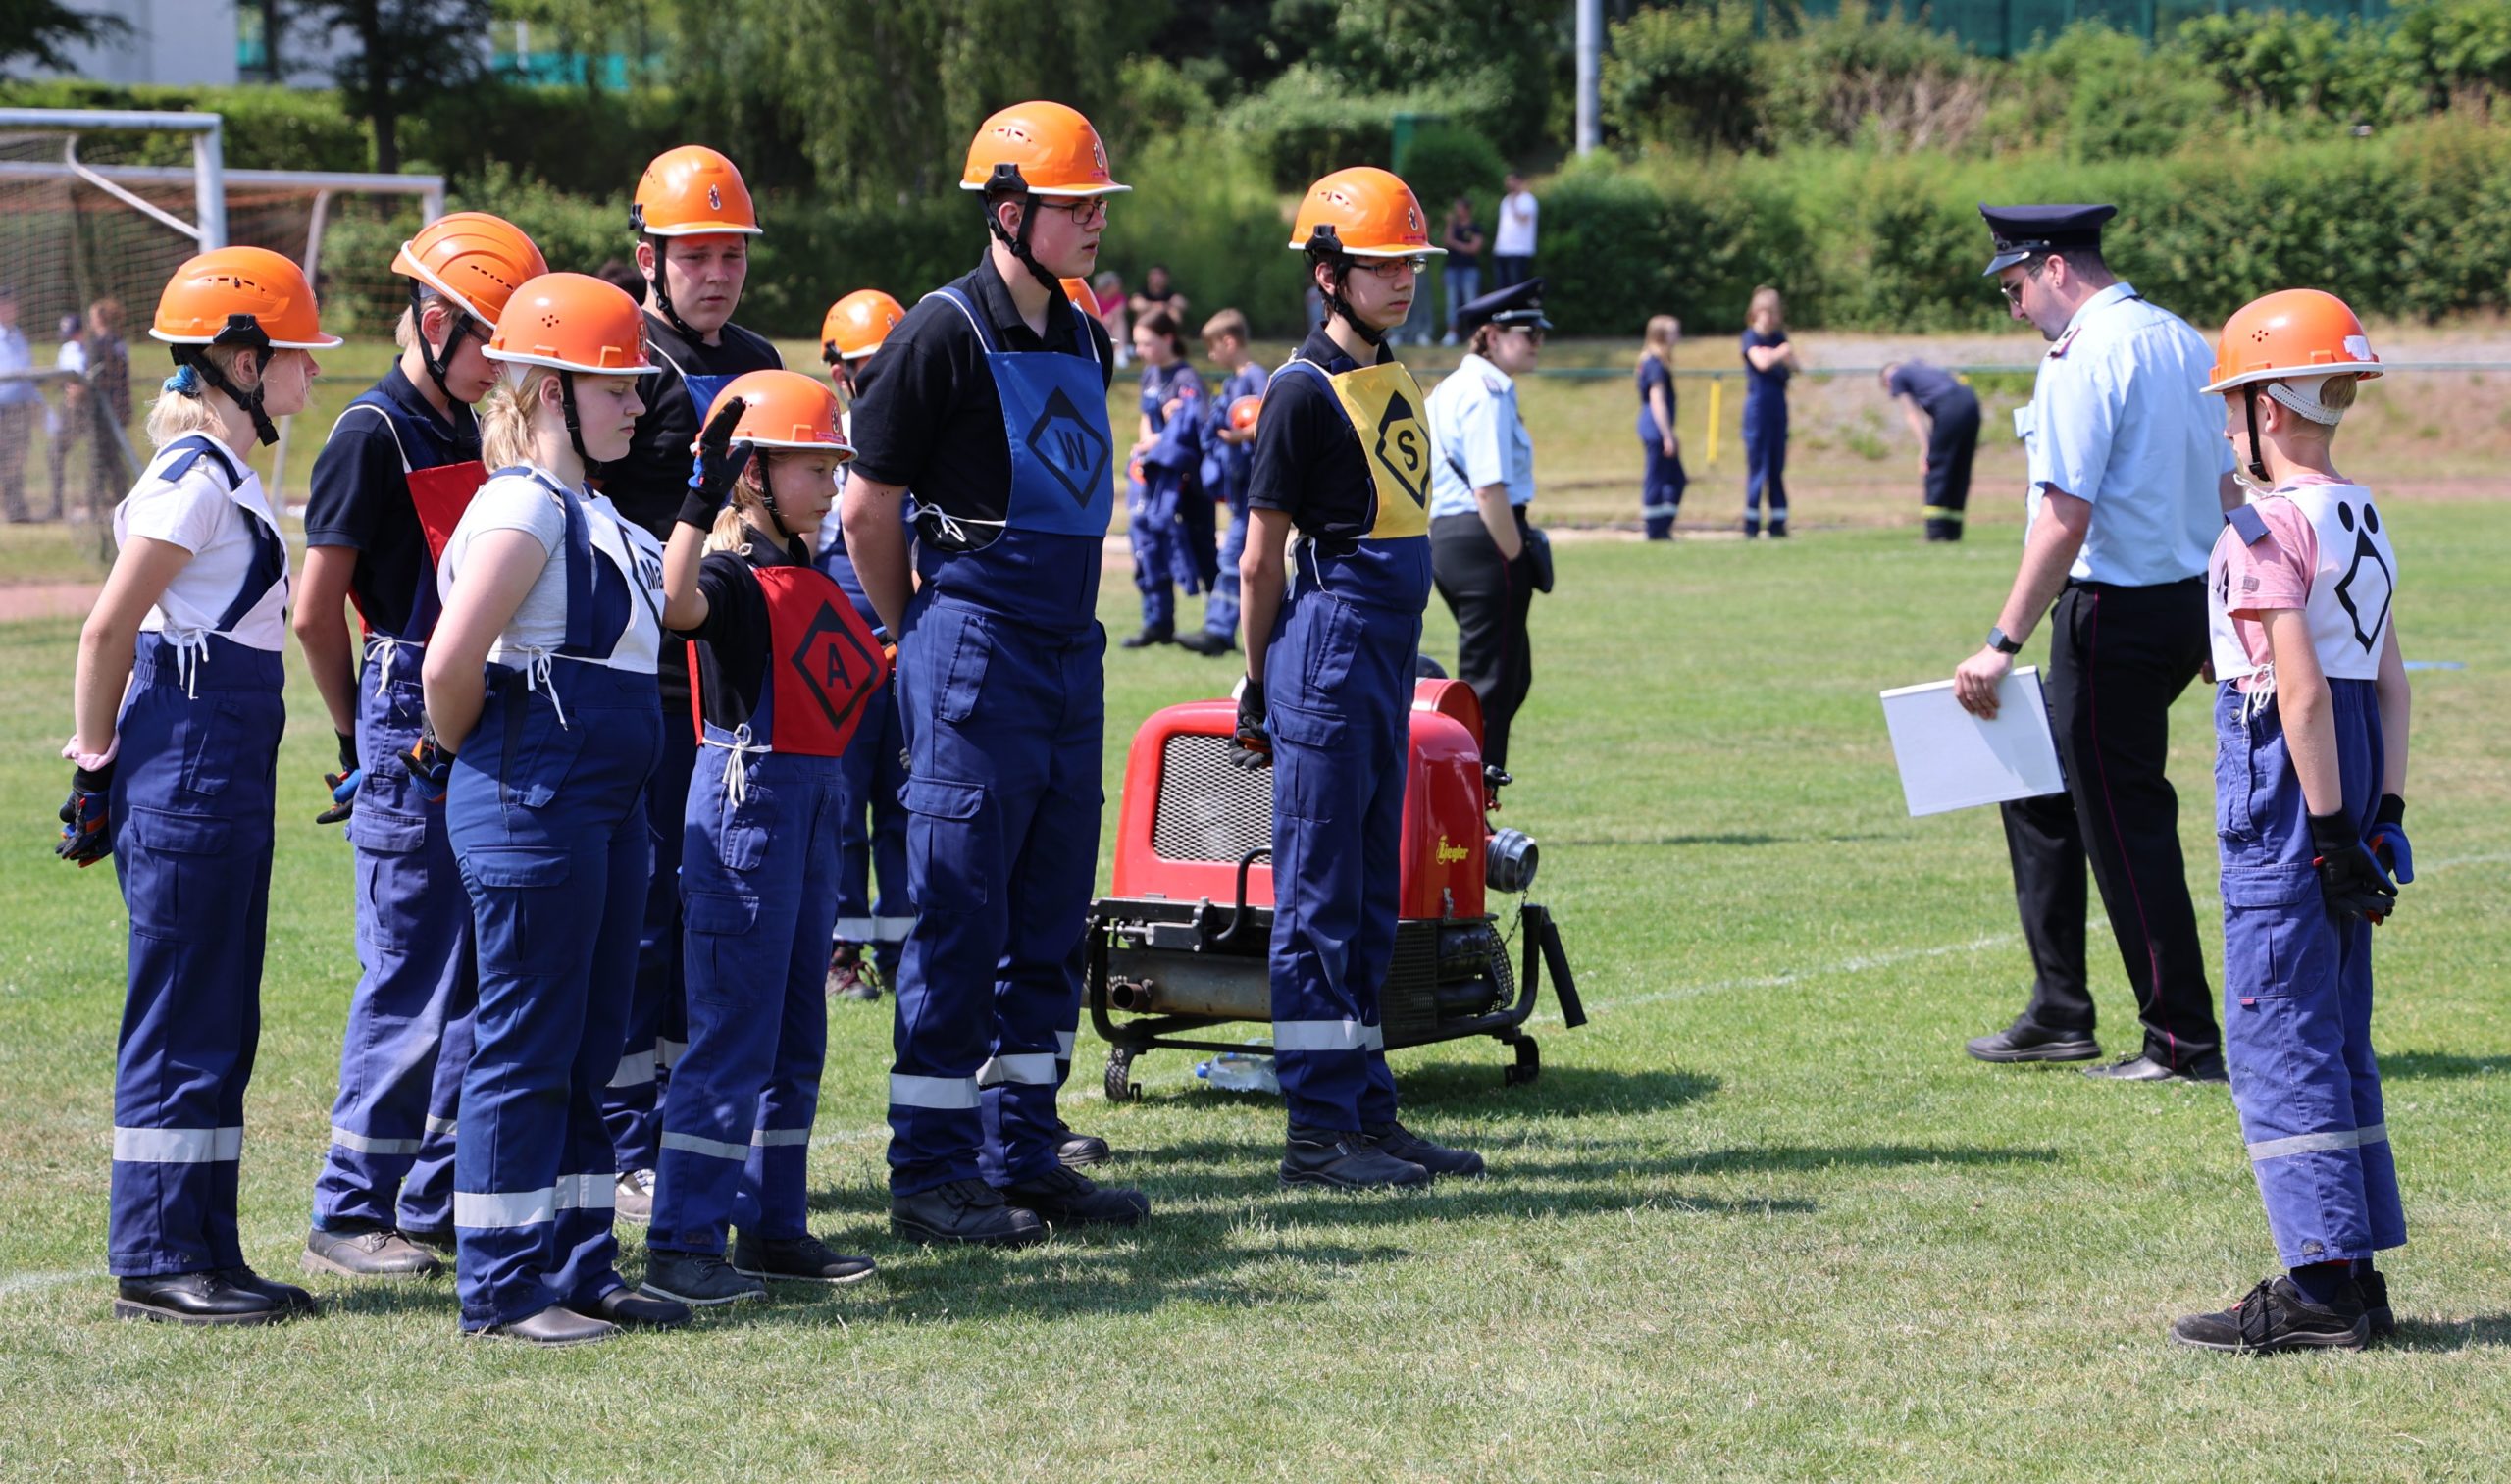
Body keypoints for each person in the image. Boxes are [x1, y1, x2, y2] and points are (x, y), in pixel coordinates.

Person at [841, 100, 1149, 1246]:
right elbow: (866, 509)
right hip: (973, 651)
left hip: (1069, 657)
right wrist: (918, 629)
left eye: (1099, 204)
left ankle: (1024, 1149)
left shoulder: (1085, 333)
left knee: (1050, 921)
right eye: (1076, 205)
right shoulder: (939, 332)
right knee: (959, 917)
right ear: (1009, 211)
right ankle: (931, 1170)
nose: (1095, 222)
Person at [59, 246, 338, 1326]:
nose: (312, 373)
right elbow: (107, 629)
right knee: (181, 1012)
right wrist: (94, 769)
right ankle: (157, 1256)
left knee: (220, 1009)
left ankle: (207, 1245)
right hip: (187, 762)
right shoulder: (191, 479)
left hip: (219, 762)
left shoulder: (221, 473)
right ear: (240, 361)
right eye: (297, 355)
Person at [420, 272, 691, 1346]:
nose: (636, 403)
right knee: (526, 1043)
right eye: (614, 387)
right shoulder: (524, 501)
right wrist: (468, 757)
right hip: (535, 793)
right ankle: (499, 1284)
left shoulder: (597, 511)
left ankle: (579, 1265)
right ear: (548, 393)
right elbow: (450, 664)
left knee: (584, 1044)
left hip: (601, 804)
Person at [296, 212, 548, 1282]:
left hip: (476, 693)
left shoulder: (472, 425)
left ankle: (429, 1197)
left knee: (480, 964)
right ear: (437, 325)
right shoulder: (372, 432)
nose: (508, 365)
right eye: (496, 340)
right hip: (405, 697)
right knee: (411, 967)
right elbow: (315, 610)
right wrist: (356, 731)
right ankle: (350, 1206)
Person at [1233, 164, 1484, 1191]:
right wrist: (1258, 684)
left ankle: (1369, 1113)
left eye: (1411, 263)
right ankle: (1318, 1131)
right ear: (1328, 273)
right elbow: (1259, 560)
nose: (1403, 280)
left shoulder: (1394, 375)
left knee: (1374, 900)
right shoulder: (1298, 391)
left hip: (1382, 660)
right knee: (1320, 901)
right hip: (1327, 658)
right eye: (1382, 264)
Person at [2169, 289, 2409, 1354]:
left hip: (2290, 787)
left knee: (2278, 1032)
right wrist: (2379, 814)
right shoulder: (2360, 512)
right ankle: (2353, 1269)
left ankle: (2318, 1286)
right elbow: (2391, 684)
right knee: (2336, 1025)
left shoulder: (2263, 527)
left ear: (2266, 406)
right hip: (2355, 775)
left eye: (2232, 403)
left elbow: (2297, 691)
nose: (2228, 424)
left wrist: (2323, 831)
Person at [1954, 204, 2241, 1084]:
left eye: (2014, 287)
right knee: (2035, 783)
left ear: (2053, 267)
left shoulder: (2083, 356)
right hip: (2180, 602)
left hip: (2114, 613)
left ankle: (2181, 1041)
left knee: (2126, 825)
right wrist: (2222, 611)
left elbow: (2065, 516)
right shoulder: (2181, 338)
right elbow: (2226, 486)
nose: (2013, 308)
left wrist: (2002, 640)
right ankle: (2060, 1010)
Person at [642, 371, 885, 1305]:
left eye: (834, 465)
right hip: (746, 822)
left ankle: (774, 1226)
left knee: (794, 1037)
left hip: (810, 815)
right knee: (732, 1036)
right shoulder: (730, 577)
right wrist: (696, 499)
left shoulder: (809, 570)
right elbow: (672, 605)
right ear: (754, 475)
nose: (831, 483)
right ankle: (683, 1241)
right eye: (813, 466)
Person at [594, 144, 785, 1225]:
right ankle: (625, 1136)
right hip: (648, 681)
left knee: (710, 913)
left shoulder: (758, 360)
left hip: (736, 688)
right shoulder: (617, 356)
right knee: (642, 918)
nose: (716, 275)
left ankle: (683, 1124)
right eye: (695, 255)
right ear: (649, 259)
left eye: (732, 255)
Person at [815, 287, 913, 1003]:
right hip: (838, 658)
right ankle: (841, 949)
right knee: (843, 807)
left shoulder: (929, 439)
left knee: (906, 804)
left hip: (907, 651)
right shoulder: (822, 446)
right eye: (868, 367)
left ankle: (904, 946)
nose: (883, 380)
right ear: (840, 373)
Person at [1427, 277, 1550, 773]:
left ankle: (1467, 792)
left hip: (1451, 537)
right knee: (1492, 686)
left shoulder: (1450, 387)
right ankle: (1471, 798)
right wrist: (1516, 556)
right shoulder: (1487, 392)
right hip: (1487, 538)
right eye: (1528, 333)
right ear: (1492, 337)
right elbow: (1489, 488)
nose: (1538, 342)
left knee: (1507, 676)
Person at [1119, 308, 1210, 649]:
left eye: (1147, 343)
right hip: (1154, 474)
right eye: (1138, 344)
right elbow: (1147, 415)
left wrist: (1158, 442)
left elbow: (1193, 426)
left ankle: (1216, 627)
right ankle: (1157, 622)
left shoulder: (1186, 378)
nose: (1140, 351)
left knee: (1198, 547)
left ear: (1168, 338)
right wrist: (1147, 444)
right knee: (1148, 543)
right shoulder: (1149, 375)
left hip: (1184, 478)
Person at [1181, 307, 1268, 655]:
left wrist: (1239, 436)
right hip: (1238, 489)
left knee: (1233, 556)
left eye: (1212, 347)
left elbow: (1269, 419)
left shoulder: (1256, 377)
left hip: (1255, 489)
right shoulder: (1231, 382)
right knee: (1241, 560)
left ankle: (1218, 631)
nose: (1211, 355)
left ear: (1229, 342)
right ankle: (1229, 629)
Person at [1881, 358, 1983, 542]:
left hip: (1950, 405)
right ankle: (1953, 530)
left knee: (1936, 468)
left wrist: (1926, 449)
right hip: (1970, 401)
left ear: (1887, 380)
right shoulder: (1921, 368)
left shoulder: (1897, 375)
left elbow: (1912, 414)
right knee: (1959, 468)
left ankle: (1936, 532)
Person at [1739, 286, 1797, 538]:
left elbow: (1795, 365)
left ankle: (1778, 522)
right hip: (1758, 408)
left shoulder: (1778, 337)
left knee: (1776, 466)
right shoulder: (1750, 337)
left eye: (1775, 313)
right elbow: (1761, 363)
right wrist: (1779, 354)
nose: (1772, 318)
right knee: (1758, 465)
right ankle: (1751, 524)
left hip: (1777, 407)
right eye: (1767, 312)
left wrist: (1780, 354)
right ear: (1756, 312)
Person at [1636, 316, 1685, 540]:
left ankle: (1663, 525)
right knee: (1657, 478)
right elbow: (1657, 400)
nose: (1678, 337)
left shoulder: (1653, 361)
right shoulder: (1654, 363)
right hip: (1655, 428)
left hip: (1656, 428)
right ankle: (1654, 529)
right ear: (1661, 336)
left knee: (1675, 478)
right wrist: (1667, 435)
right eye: (1674, 332)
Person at [0, 284, 40, 523]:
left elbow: (28, 373)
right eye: (5, 304)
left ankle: (15, 509)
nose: (10, 308)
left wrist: (37, 404)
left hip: (18, 410)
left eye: (12, 304)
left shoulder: (19, 337)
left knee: (15, 459)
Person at [1439, 198, 1484, 347]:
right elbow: (1446, 242)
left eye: (1459, 208)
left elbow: (1474, 248)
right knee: (1451, 302)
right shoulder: (1454, 227)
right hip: (1452, 268)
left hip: (1469, 269)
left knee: (1471, 301)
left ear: (1467, 210)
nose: (1457, 211)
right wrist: (1449, 224)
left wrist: (1455, 244)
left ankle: (1474, 333)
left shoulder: (1475, 228)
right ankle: (1451, 333)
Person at [1492, 175, 1537, 290]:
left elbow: (1524, 218)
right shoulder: (1506, 200)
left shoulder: (1527, 199)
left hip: (1519, 250)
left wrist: (1514, 203)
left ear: (1519, 181)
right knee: (1501, 288)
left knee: (1517, 287)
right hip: (1502, 250)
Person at [1128, 263, 1187, 331]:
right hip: (1145, 327)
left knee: (1174, 311)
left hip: (1166, 327)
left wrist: (1165, 307)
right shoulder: (1143, 292)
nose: (1157, 279)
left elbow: (1182, 303)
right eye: (1154, 275)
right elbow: (1135, 304)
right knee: (1147, 312)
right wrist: (1156, 307)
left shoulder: (1170, 294)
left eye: (1160, 276)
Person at [1092, 270, 1130, 368]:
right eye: (1116, 283)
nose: (1119, 285)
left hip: (1113, 324)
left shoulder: (1119, 297)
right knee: (1102, 323)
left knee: (1119, 320)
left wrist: (1110, 316)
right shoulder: (1094, 297)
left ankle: (1120, 351)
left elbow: (1120, 309)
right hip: (1099, 326)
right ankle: (1113, 351)